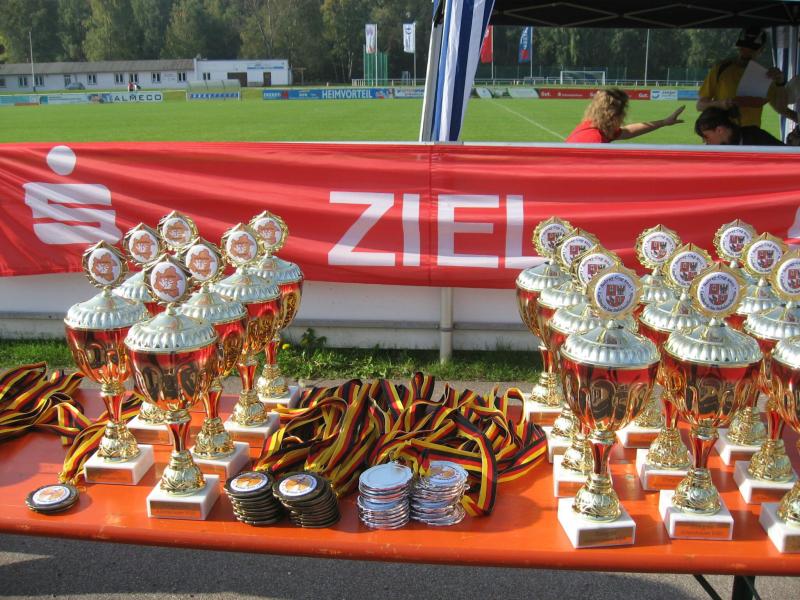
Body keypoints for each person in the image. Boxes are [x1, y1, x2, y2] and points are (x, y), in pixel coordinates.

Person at [697, 27, 789, 128]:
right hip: (722, 132)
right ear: (738, 47)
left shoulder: (765, 76)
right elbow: (700, 105)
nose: (746, 53)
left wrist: (780, 83)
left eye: (752, 49)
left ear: (761, 50)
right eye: (743, 48)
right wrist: (721, 104)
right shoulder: (720, 69)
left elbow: (781, 109)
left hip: (750, 134)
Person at [566, 88, 685, 143]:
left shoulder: (595, 127)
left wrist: (664, 122)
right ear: (615, 116)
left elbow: (628, 131)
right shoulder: (595, 140)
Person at [694, 107, 784, 146]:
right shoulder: (711, 151)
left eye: (706, 136)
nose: (704, 141)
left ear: (719, 130)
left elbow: (788, 156)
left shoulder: (757, 137)